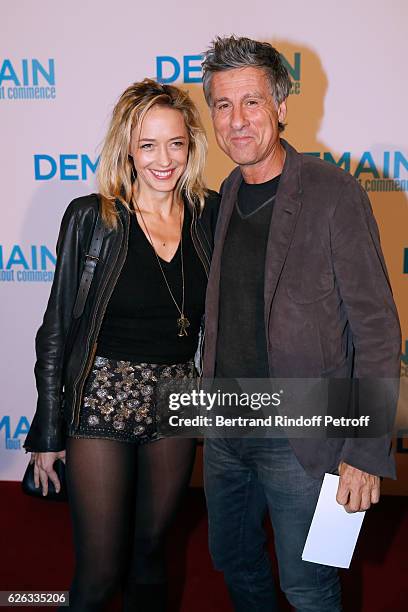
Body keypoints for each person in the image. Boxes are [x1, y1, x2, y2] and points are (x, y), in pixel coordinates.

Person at [201, 36, 401, 611]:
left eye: (252, 102)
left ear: (282, 108)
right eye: (222, 105)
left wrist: (365, 450)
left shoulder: (335, 194)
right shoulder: (226, 197)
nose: (237, 121)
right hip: (225, 433)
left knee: (309, 587)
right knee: (235, 564)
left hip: (305, 439)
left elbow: (378, 330)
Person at [24, 78, 219, 611]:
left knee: (153, 555)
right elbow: (56, 329)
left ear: (191, 144)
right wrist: (47, 429)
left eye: (174, 143)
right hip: (103, 398)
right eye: (148, 144)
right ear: (128, 148)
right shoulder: (93, 217)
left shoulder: (211, 215)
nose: (163, 159)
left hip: (176, 400)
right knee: (100, 570)